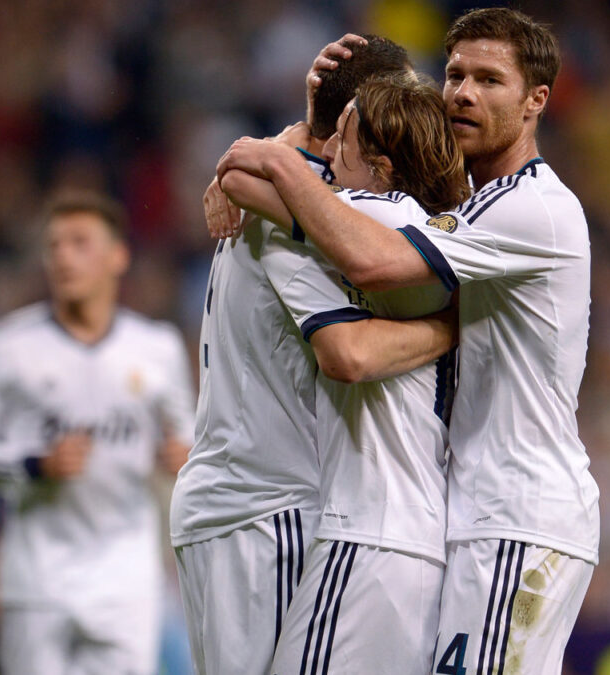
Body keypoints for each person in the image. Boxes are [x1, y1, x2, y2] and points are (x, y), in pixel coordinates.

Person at [217, 9, 599, 673]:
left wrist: (268, 159)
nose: (464, 93)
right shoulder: (473, 206)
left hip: (516, 512)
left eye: (490, 80)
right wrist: (288, 146)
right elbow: (356, 207)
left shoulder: (529, 207)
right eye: (454, 74)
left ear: (536, 100)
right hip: (473, 514)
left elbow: (372, 257)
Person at [171, 38, 454, 675]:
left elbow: (248, 166)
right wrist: (451, 329)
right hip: (271, 507)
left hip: (228, 497)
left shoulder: (282, 192)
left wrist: (294, 134)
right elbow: (348, 350)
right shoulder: (317, 217)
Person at [0, 190, 195, 675]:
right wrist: (31, 464)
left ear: (118, 256)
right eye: (53, 245)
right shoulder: (7, 345)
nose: (62, 256)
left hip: (125, 573)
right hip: (37, 573)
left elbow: (191, 444)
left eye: (79, 243)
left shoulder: (156, 348)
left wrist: (180, 458)